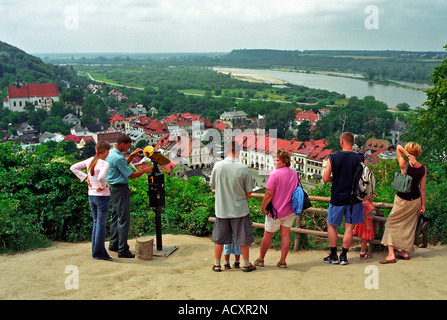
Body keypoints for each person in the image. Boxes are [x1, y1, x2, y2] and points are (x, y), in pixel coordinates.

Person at [210, 140, 256, 272]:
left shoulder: (217, 166)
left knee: (219, 238)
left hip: (221, 208)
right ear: (239, 152)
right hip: (239, 209)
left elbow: (213, 186)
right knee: (243, 237)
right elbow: (249, 192)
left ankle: (217, 264)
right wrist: (240, 199)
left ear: (226, 151)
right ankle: (246, 264)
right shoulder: (243, 168)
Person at [106, 134, 153, 258]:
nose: (128, 149)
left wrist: (131, 156)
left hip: (113, 189)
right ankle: (123, 250)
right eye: (127, 146)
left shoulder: (112, 153)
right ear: (122, 144)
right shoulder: (118, 157)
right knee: (123, 219)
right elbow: (130, 175)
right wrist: (145, 171)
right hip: (121, 189)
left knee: (116, 217)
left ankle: (113, 244)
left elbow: (121, 167)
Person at [322, 132, 364, 265]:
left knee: (332, 225)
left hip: (337, 197)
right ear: (352, 143)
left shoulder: (333, 157)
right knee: (349, 228)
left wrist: (335, 179)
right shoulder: (360, 158)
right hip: (353, 199)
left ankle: (333, 256)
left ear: (341, 142)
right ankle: (344, 256)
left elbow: (325, 178)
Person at [380, 143, 426, 264]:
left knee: (391, 223)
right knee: (409, 226)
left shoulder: (404, 165)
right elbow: (423, 188)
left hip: (402, 199)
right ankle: (404, 252)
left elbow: (398, 147)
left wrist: (407, 155)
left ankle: (391, 255)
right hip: (415, 200)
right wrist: (423, 205)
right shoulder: (423, 168)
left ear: (409, 151)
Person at [255, 148, 298, 268]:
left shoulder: (274, 174)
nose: (274, 162)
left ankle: (261, 259)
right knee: (285, 235)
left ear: (284, 161)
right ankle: (282, 261)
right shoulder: (294, 173)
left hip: (275, 211)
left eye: (277, 160)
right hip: (290, 210)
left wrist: (263, 207)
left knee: (268, 234)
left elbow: (269, 193)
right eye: (274, 159)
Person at [70, 141, 112, 261]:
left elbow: (73, 167)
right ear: (104, 151)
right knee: (101, 225)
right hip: (102, 197)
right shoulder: (104, 164)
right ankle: (99, 252)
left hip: (91, 195)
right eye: (108, 150)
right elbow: (101, 177)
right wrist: (103, 186)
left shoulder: (90, 160)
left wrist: (85, 177)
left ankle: (95, 250)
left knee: (96, 222)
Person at [354, 194, 376, 260]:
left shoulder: (369, 202)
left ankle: (363, 252)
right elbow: (365, 215)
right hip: (365, 223)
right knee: (365, 239)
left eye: (373, 194)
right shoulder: (366, 203)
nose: (372, 195)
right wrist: (367, 225)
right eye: (370, 194)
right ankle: (362, 253)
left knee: (365, 239)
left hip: (367, 222)